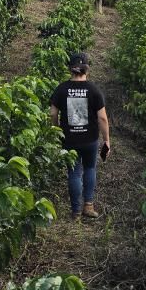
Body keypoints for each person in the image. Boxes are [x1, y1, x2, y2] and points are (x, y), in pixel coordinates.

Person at [50, 52, 110, 220]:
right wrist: (106, 140)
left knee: (74, 173)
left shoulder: (61, 89)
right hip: (90, 139)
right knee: (90, 168)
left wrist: (56, 131)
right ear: (87, 69)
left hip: (69, 140)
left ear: (70, 69)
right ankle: (88, 206)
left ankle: (76, 212)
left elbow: (53, 114)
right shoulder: (93, 90)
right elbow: (103, 118)